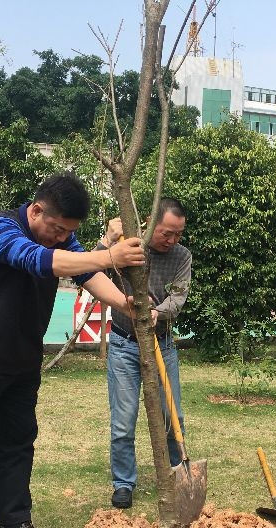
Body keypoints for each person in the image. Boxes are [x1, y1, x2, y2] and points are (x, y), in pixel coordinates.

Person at [0, 172, 145, 528]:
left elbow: (86, 274)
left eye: (68, 232)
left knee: (19, 442)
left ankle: (13, 521)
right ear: (36, 210)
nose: (60, 237)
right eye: (56, 228)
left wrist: (128, 304)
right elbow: (39, 261)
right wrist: (108, 254)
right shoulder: (1, 229)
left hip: (21, 360)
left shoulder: (61, 239)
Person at [98, 198, 192, 509]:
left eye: (178, 234)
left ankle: (179, 476)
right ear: (151, 223)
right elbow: (91, 270)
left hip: (162, 345)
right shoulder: (128, 247)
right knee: (123, 422)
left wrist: (158, 312)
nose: (172, 240)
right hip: (125, 344)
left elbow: (178, 298)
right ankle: (123, 483)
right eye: (167, 233)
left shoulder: (181, 256)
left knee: (172, 416)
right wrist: (108, 241)